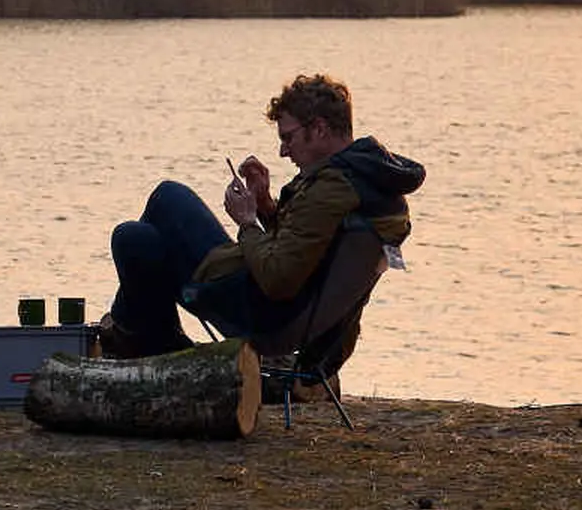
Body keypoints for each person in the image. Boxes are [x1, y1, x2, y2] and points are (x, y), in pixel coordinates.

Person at [103, 73, 422, 360]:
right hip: (280, 311)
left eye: (288, 138)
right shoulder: (364, 181)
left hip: (255, 311)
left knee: (165, 198)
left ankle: (139, 335)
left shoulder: (334, 187)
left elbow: (278, 278)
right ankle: (147, 336)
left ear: (320, 129)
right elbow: (307, 247)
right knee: (136, 238)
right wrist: (267, 208)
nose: (284, 151)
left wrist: (246, 222)